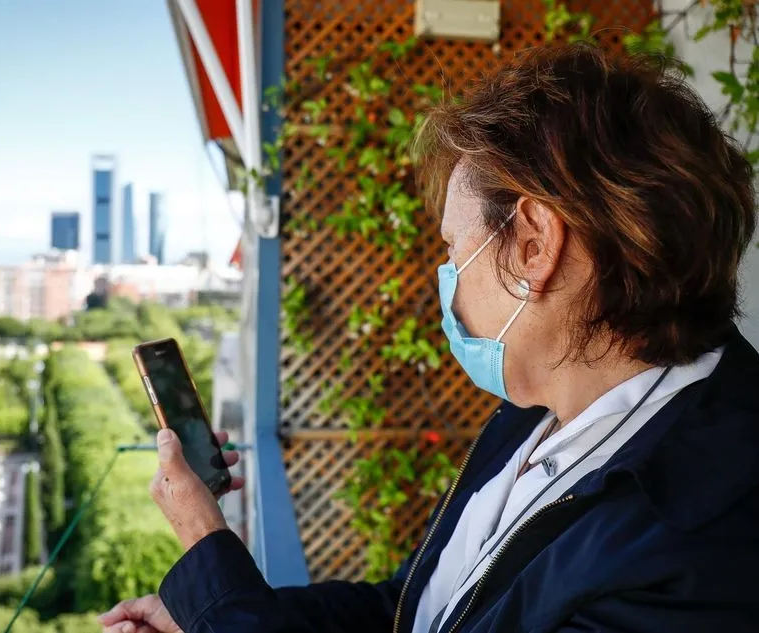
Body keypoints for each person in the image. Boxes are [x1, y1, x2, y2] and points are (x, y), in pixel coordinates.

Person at [99, 44, 759, 633]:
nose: (445, 280)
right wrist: (209, 610)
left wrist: (203, 543)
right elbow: (420, 608)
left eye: (453, 247)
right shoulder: (542, 417)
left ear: (535, 243)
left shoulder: (702, 538)